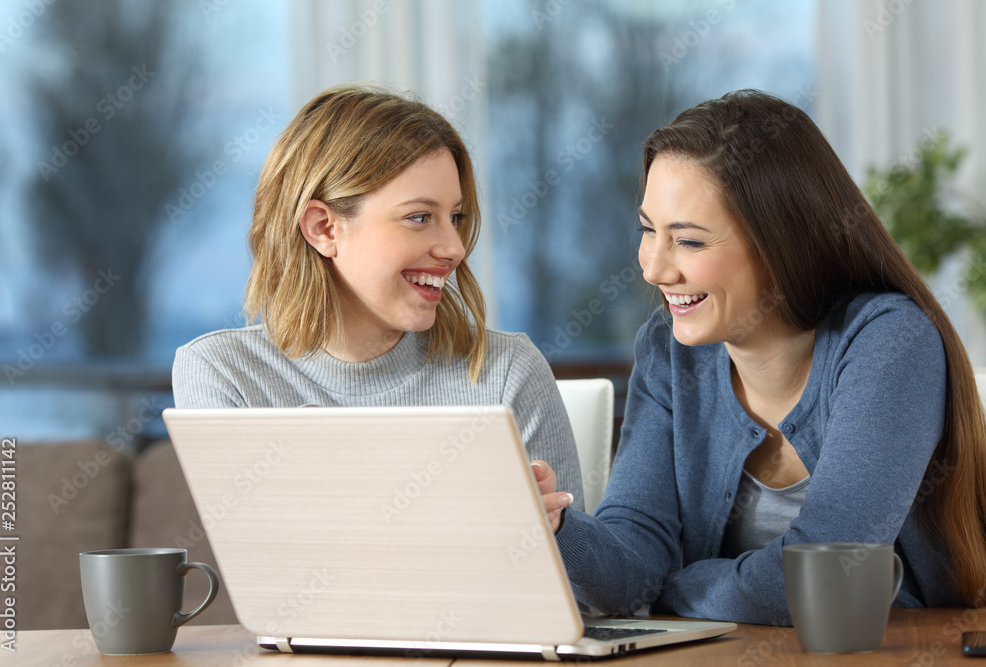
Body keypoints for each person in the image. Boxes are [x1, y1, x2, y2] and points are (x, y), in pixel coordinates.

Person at [533, 89, 986, 625]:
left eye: (690, 242)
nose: (654, 269)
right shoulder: (667, 351)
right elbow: (633, 563)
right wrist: (557, 525)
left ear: (780, 242)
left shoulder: (889, 342)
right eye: (648, 230)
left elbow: (826, 571)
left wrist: (677, 587)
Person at [173, 83, 583, 510]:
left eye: (455, 217)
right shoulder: (225, 377)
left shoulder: (507, 373)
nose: (455, 248)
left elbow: (579, 577)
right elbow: (263, 568)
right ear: (324, 229)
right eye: (420, 217)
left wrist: (552, 536)